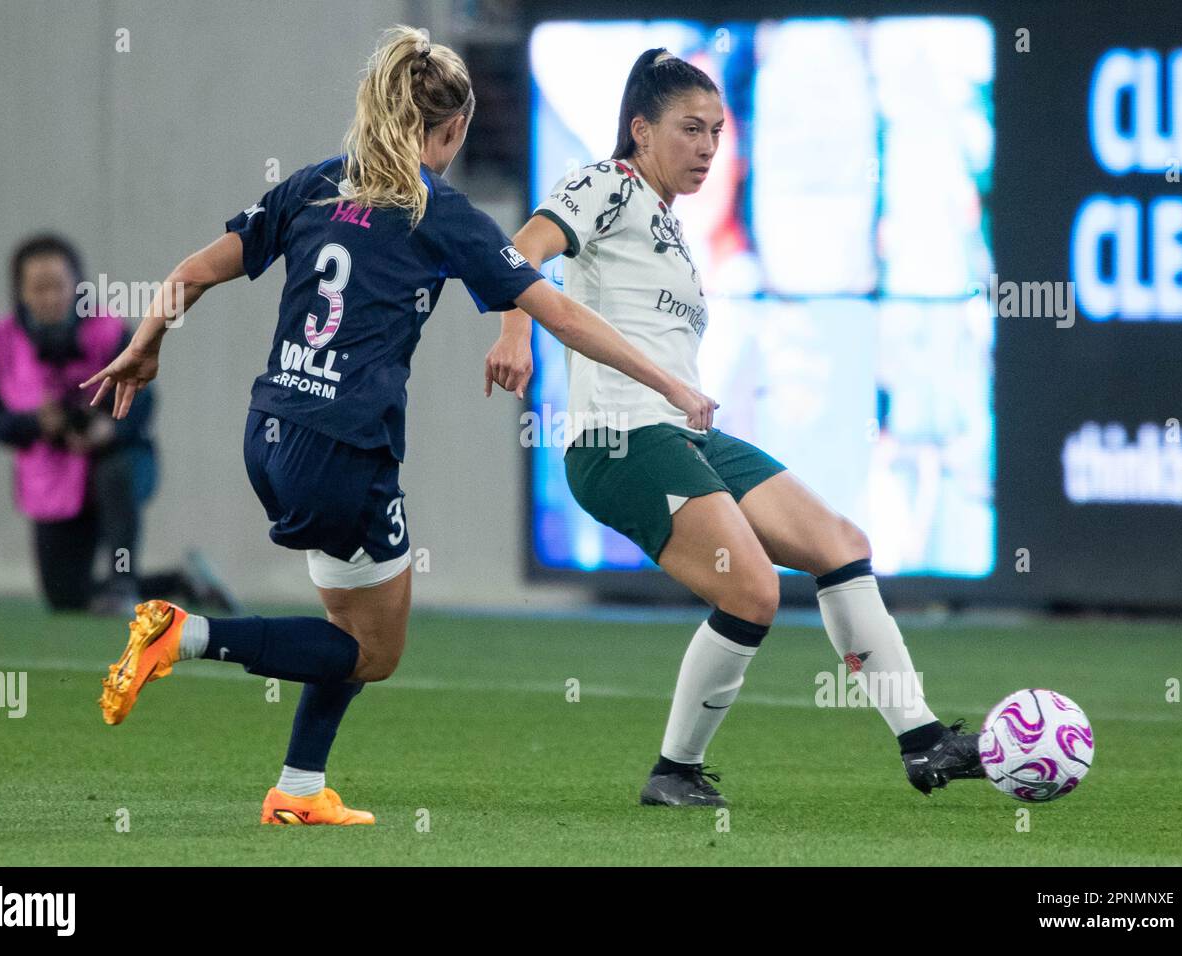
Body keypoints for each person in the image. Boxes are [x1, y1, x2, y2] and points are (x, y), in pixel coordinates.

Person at [83, 27, 716, 827]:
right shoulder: (439, 212)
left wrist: (144, 347)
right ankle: (186, 633)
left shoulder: (312, 184)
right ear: (448, 132)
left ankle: (299, 789)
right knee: (372, 652)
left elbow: (192, 273)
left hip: (270, 431)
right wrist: (667, 379)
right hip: (344, 450)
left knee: (349, 622)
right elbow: (559, 313)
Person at [484, 49, 984, 806]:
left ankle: (923, 744)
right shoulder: (607, 184)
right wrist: (514, 336)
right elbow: (519, 251)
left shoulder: (672, 226)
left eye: (718, 131)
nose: (709, 147)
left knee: (840, 546)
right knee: (751, 591)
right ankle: (673, 772)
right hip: (620, 440)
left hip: (682, 433)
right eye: (691, 129)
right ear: (640, 131)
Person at [0, 233, 235, 615]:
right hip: (55, 477)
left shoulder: (109, 332)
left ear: (76, 285)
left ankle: (123, 585)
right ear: (21, 292)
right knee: (66, 598)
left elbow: (143, 400)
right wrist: (36, 424)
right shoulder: (0, 342)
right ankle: (185, 582)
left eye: (58, 286)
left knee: (115, 472)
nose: (49, 297)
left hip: (116, 462)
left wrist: (108, 430)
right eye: (38, 288)